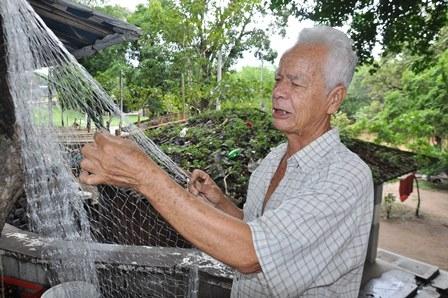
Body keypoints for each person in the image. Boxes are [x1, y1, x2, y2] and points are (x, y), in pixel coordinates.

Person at [80, 26, 374, 297]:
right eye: (278, 79)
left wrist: (144, 175)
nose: (278, 92)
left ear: (334, 99)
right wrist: (220, 203)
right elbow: (260, 229)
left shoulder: (345, 178)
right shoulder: (274, 159)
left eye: (295, 83)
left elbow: (251, 254)